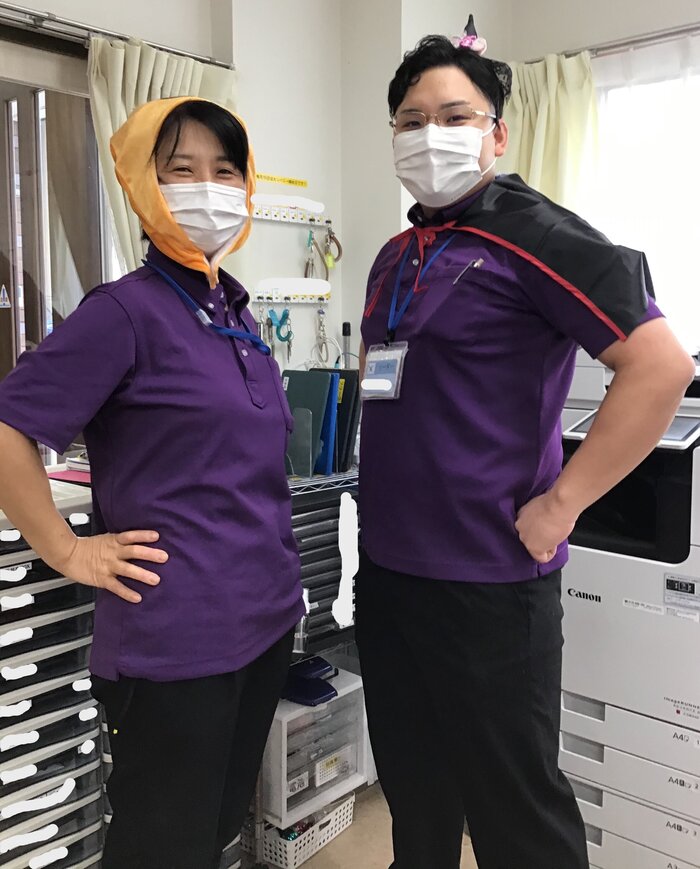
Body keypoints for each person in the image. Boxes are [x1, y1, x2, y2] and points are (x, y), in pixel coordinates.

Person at [354, 19, 696, 869]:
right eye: (410, 120)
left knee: (518, 819)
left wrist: (563, 503)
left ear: (497, 134)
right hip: (391, 575)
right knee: (416, 798)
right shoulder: (396, 255)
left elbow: (660, 366)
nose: (430, 134)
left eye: (454, 116)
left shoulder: (536, 233)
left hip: (490, 583)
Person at [0, 97, 304, 869]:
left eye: (225, 171)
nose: (209, 187)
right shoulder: (125, 313)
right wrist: (66, 548)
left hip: (262, 626)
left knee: (213, 833)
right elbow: (7, 427)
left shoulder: (236, 316)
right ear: (144, 187)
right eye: (181, 170)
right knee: (158, 850)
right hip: (175, 646)